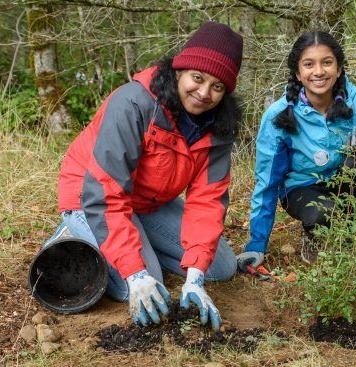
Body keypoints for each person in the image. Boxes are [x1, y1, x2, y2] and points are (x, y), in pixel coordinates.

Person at [53, 21, 243, 331]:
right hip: (90, 197)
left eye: (218, 86)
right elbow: (104, 192)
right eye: (198, 78)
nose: (204, 93)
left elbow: (207, 202)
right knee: (139, 286)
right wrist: (136, 273)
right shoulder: (133, 103)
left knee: (219, 268)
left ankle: (139, 247)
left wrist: (194, 278)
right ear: (179, 71)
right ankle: (74, 235)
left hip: (146, 203)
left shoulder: (218, 129)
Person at [236, 31, 356, 269]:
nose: (318, 72)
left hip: (343, 181)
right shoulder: (278, 115)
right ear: (298, 72)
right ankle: (314, 236)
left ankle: (346, 238)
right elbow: (266, 182)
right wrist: (257, 244)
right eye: (309, 64)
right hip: (301, 188)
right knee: (322, 214)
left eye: (327, 62)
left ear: (338, 68)